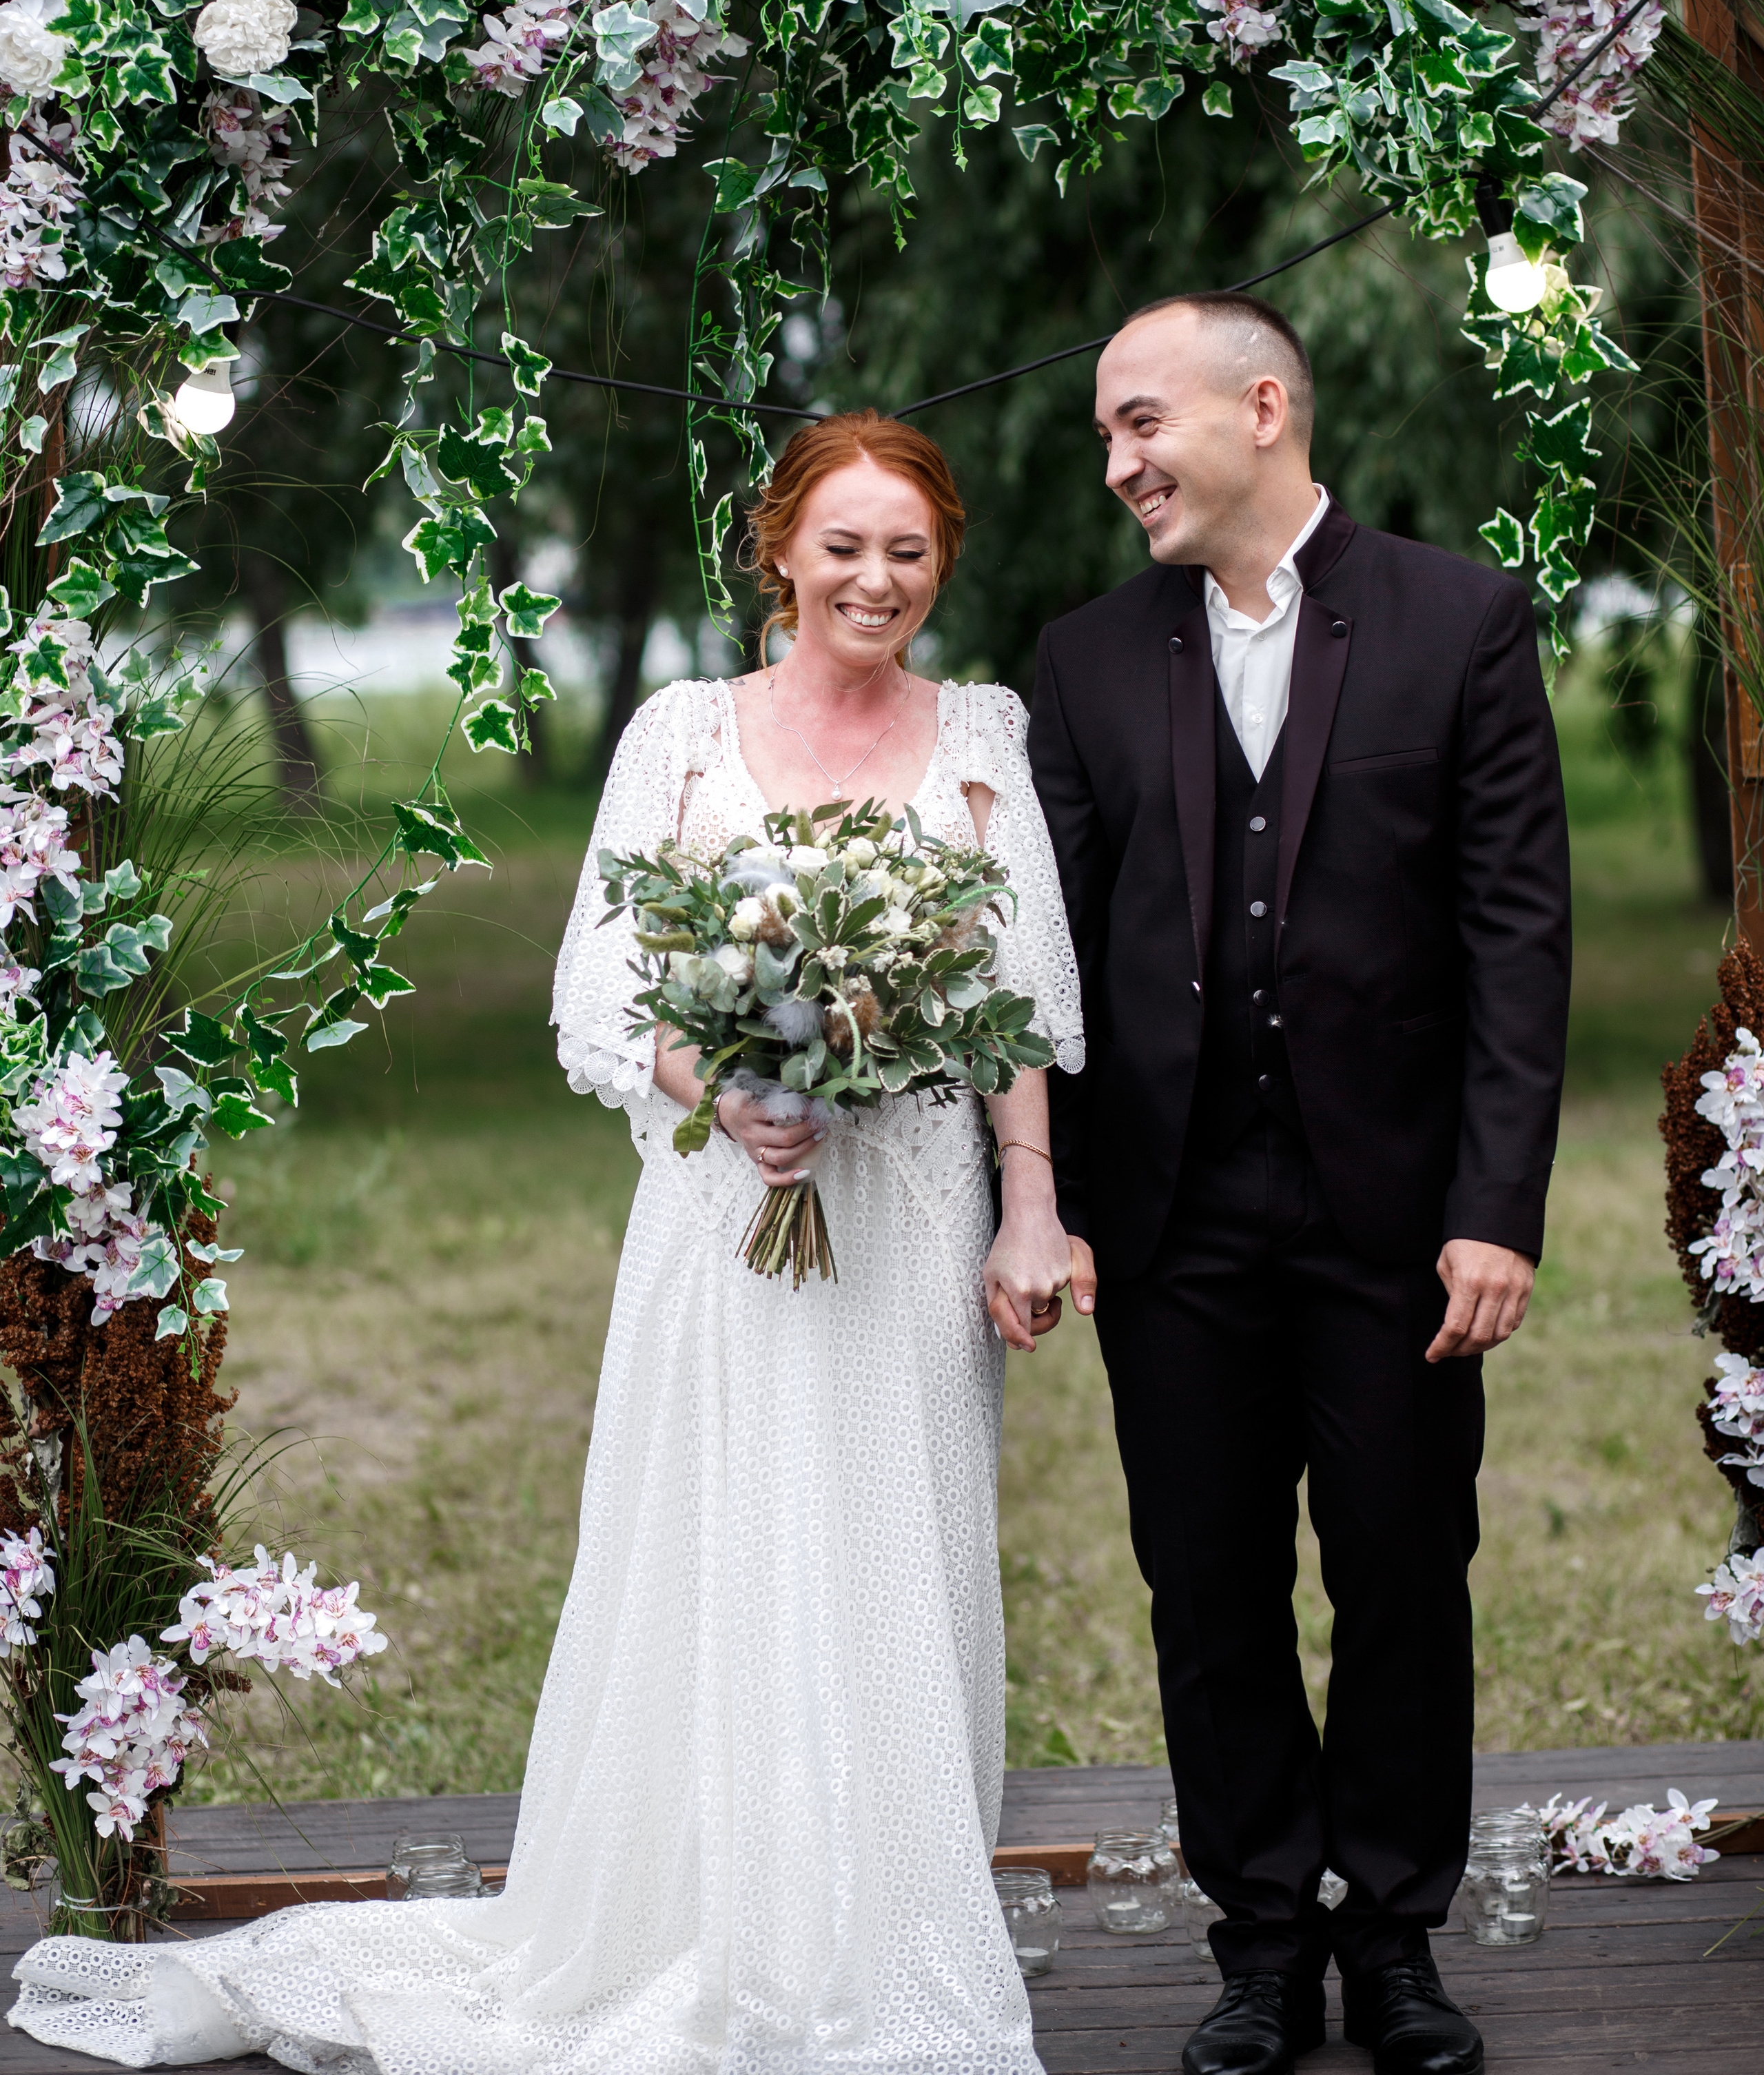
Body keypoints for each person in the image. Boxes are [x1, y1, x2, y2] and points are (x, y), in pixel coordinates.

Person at [9, 410, 1083, 2075]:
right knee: (721, 1547)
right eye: (845, 544)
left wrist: (1031, 1208)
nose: (876, 579)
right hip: (726, 1211)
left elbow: (1017, 1001)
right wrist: (725, 1087)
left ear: (941, 562)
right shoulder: (680, 733)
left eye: (909, 551)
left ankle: (878, 1935)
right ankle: (708, 1930)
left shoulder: (982, 733)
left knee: (895, 1552)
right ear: (780, 548)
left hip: (913, 1205)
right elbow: (601, 984)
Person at [1028, 295, 1570, 2075]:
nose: (1118, 467)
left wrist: (1494, 1205)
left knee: (1408, 1572)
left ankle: (1395, 1937)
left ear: (1261, 408)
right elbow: (1049, 962)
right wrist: (1054, 1205)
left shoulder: (1460, 624)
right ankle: (1261, 1934)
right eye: (1109, 438)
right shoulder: (1087, 662)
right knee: (1209, 1587)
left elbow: (1516, 935)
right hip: (1173, 1219)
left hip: (1400, 1222)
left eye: (1140, 426)